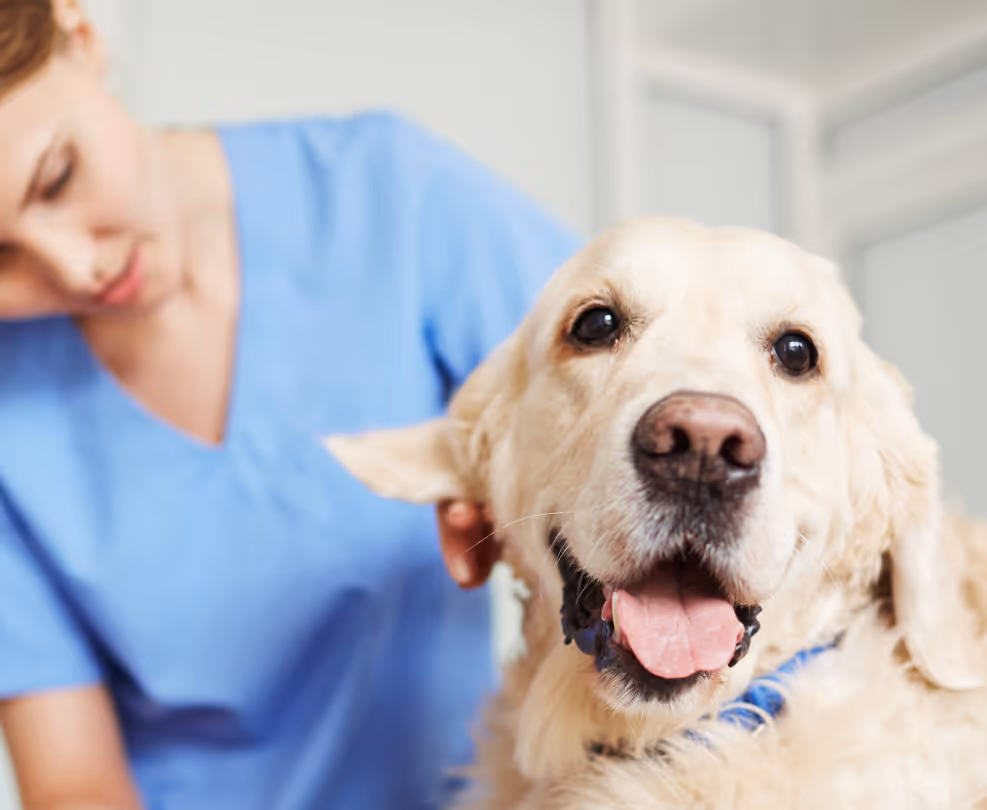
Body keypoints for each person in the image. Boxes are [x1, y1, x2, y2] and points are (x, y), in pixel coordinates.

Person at [0, 2, 582, 808]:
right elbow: (73, 783)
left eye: (57, 176)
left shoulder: (390, 197)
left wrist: (519, 498)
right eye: (0, 261)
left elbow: (618, 412)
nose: (72, 267)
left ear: (82, 33)